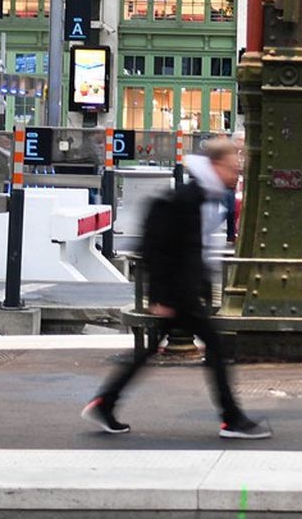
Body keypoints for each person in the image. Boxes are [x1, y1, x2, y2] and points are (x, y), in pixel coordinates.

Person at [81, 137, 270, 439]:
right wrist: (163, 295)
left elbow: (193, 249)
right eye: (233, 168)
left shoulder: (202, 196)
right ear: (216, 165)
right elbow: (163, 248)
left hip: (182, 291)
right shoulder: (189, 198)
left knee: (149, 353)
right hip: (178, 294)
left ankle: (105, 403)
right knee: (216, 349)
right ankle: (231, 418)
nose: (236, 175)